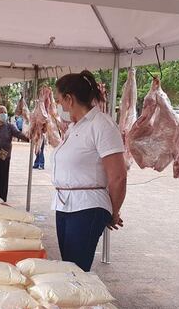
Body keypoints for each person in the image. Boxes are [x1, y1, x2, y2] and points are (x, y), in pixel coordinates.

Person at [51, 71, 127, 272]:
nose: (60, 107)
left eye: (59, 101)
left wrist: (113, 210)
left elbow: (118, 175)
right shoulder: (74, 127)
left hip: (87, 206)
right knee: (68, 266)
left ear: (69, 98)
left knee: (76, 269)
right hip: (65, 204)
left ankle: (82, 303)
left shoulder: (101, 125)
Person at [0, 106, 30, 201]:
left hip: (4, 157)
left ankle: (2, 201)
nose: (4, 114)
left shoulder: (10, 127)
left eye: (5, 112)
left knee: (3, 180)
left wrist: (28, 138)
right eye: (1, 112)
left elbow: (18, 134)